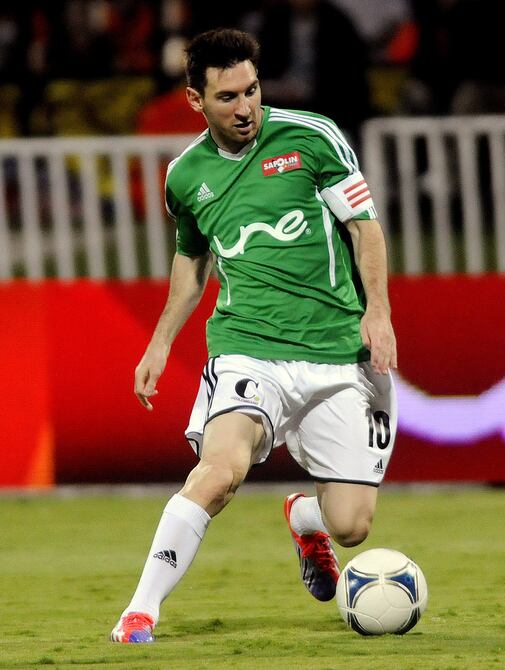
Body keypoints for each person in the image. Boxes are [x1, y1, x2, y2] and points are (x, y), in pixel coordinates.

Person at [111, 27, 397, 644]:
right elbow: (192, 262)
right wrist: (160, 341)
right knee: (220, 471)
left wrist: (378, 311)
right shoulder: (185, 176)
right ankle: (140, 611)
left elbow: (364, 226)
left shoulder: (312, 137)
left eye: (252, 90)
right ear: (196, 100)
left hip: (337, 351)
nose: (245, 108)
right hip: (248, 348)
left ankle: (306, 518)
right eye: (227, 97)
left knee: (352, 526)